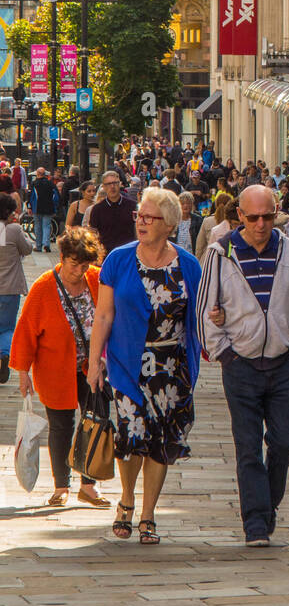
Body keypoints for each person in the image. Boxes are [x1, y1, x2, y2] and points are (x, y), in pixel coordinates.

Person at [198, 185, 289, 546]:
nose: (261, 224)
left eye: (268, 216)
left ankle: (267, 504)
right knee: (247, 445)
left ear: (277, 212)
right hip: (241, 365)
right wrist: (224, 352)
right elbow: (206, 308)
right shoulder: (220, 254)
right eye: (253, 217)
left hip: (284, 363)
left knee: (286, 439)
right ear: (239, 215)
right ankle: (255, 523)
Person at [87, 187, 202, 546]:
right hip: (126, 363)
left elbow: (198, 316)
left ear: (168, 224)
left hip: (172, 366)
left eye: (149, 217)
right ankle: (126, 499)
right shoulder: (118, 260)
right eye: (139, 215)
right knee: (130, 437)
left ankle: (148, 513)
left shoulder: (188, 265)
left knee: (162, 442)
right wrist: (94, 362)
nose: (141, 222)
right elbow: (104, 314)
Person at [12, 227, 108, 508]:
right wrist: (22, 373)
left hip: (94, 367)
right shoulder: (44, 288)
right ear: (63, 257)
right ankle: (61, 485)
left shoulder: (96, 278)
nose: (80, 270)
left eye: (85, 264)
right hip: (55, 369)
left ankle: (89, 485)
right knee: (61, 425)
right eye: (74, 263)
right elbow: (26, 332)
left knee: (95, 422)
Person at [0, 193, 32, 380]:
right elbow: (27, 249)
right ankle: (4, 354)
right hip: (10, 286)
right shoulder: (13, 230)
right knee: (6, 327)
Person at [90, 170, 137, 256]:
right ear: (103, 187)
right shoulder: (97, 209)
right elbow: (93, 235)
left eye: (115, 183)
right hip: (106, 255)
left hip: (128, 254)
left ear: (120, 184)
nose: (112, 186)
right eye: (108, 184)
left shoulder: (132, 206)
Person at [29, 167, 59, 253]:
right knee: (46, 226)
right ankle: (46, 244)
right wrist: (55, 206)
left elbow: (31, 196)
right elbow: (56, 196)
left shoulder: (34, 184)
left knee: (38, 227)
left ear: (37, 174)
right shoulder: (50, 183)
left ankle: (38, 246)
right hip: (48, 207)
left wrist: (29, 206)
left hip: (37, 207)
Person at [196, 191, 232, 259]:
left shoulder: (207, 221)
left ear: (215, 205)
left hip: (208, 260)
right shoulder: (233, 223)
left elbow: (200, 246)